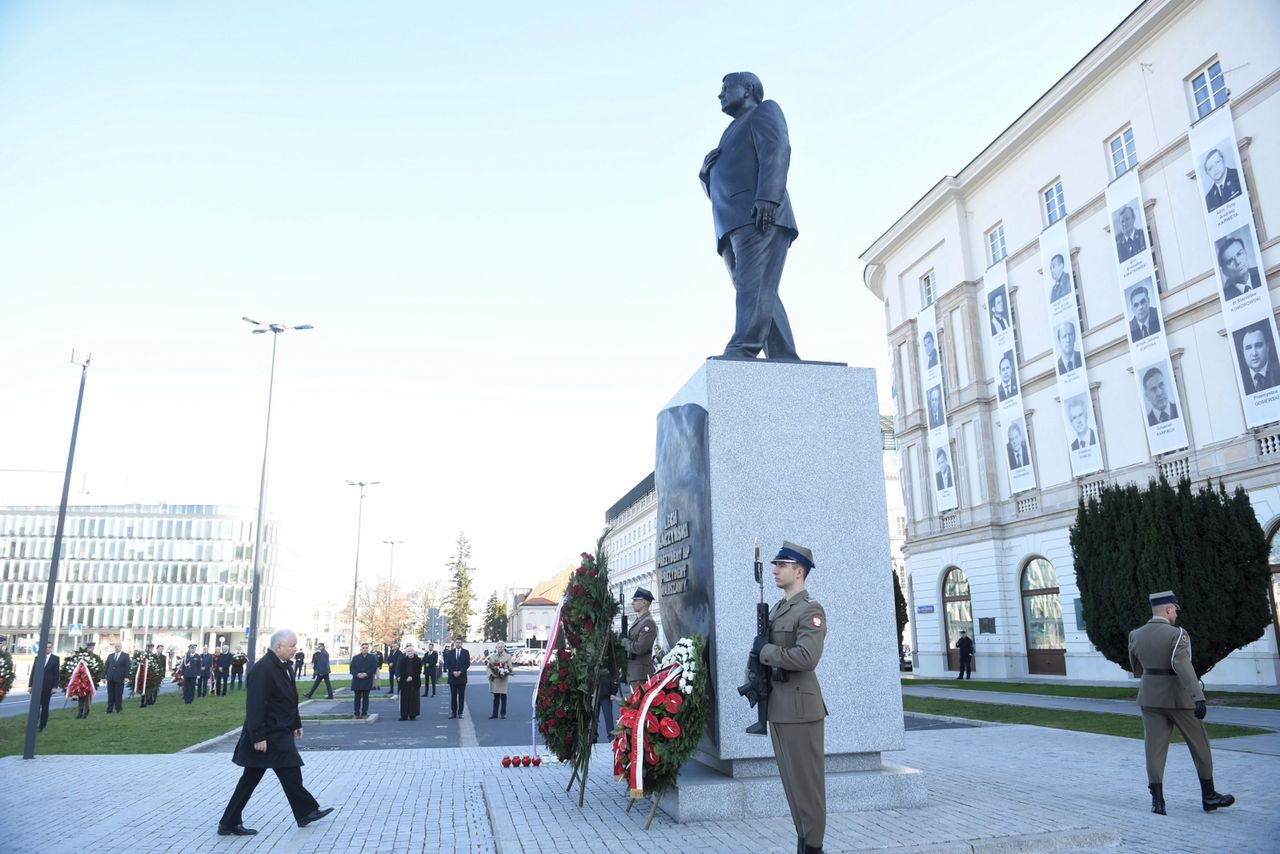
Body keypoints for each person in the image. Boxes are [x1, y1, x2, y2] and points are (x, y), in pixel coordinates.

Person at [699, 71, 800, 360]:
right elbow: (723, 187)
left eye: (726, 88)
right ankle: (784, 356)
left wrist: (768, 197)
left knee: (752, 287)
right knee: (757, 289)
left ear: (747, 90)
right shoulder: (730, 132)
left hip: (759, 216)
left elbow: (777, 150)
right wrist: (706, 175)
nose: (720, 94)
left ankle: (742, 347)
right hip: (731, 224)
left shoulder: (765, 111)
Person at [217, 628, 332, 836]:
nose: (295, 650)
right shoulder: (264, 668)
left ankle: (229, 821)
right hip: (267, 735)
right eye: (292, 646)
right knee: (280, 771)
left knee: (262, 776)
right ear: (278, 647)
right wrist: (258, 736)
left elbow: (289, 699)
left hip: (280, 731)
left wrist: (296, 723)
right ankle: (306, 811)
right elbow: (255, 705)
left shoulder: (283, 665)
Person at [1129, 591, 1234, 816]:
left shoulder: (1135, 635)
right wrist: (1199, 697)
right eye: (1175, 609)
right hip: (1179, 699)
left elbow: (1136, 668)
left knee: (1154, 749)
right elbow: (1183, 666)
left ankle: (1158, 802)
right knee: (1200, 746)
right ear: (1168, 609)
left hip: (1149, 697)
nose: (1176, 613)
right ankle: (1209, 796)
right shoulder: (1177, 634)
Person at [752, 541, 826, 854]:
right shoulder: (781, 608)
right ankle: (803, 843)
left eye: (781, 565)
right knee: (792, 788)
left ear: (799, 572)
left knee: (807, 789)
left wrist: (765, 651)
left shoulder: (811, 610)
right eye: (775, 565)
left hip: (801, 711)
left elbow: (806, 657)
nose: (774, 570)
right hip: (780, 709)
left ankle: (814, 847)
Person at [620, 588, 657, 690]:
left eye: (636, 600)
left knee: (638, 705)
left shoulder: (648, 623)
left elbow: (640, 648)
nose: (632, 603)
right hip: (634, 673)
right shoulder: (640, 621)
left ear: (644, 602)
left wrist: (623, 641)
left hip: (641, 674)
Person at [1237, 324, 1280, 392]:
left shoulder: (1278, 372)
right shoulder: (1239, 380)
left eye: (1258, 346)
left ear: (1267, 347)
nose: (1254, 353)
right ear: (1243, 352)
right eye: (1248, 348)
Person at [28, 641, 59, 732]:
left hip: (48, 687)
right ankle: (33, 725)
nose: (47, 649)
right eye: (46, 647)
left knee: (45, 707)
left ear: (51, 648)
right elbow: (33, 672)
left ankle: (42, 726)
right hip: (37, 687)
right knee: (35, 707)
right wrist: (30, 685)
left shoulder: (55, 659)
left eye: (49, 647)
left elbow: (56, 674)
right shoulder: (38, 658)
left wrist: (54, 687)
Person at [1202, 148, 1242, 213]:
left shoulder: (1238, 175)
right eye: (1210, 168)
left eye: (1217, 162)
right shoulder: (1208, 198)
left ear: (1223, 160)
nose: (1215, 169)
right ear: (1208, 174)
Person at [444, 639, 471, 719]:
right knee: (453, 696)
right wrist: (453, 672)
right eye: (457, 642)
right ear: (455, 643)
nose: (458, 644)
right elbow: (447, 664)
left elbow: (467, 664)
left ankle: (460, 712)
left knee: (461, 696)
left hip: (462, 677)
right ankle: (453, 712)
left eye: (460, 642)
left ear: (461, 643)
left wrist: (460, 672)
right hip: (452, 677)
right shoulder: (450, 652)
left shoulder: (465, 652)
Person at [349, 642, 377, 719]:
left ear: (368, 649)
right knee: (357, 698)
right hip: (357, 681)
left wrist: (366, 674)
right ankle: (356, 713)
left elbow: (374, 668)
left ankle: (364, 713)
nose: (365, 649)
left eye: (366, 648)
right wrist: (357, 674)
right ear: (361, 649)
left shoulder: (372, 658)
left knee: (365, 698)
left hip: (367, 680)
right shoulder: (355, 658)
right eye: (363, 648)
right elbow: (352, 669)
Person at [487, 641, 512, 719]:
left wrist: (504, 672)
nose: (500, 648)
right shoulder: (492, 656)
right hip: (495, 679)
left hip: (503, 680)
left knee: (503, 697)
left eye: (502, 647)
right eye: (499, 647)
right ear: (496, 648)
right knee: (496, 697)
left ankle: (503, 713)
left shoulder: (508, 656)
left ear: (504, 648)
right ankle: (494, 714)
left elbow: (510, 667)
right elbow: (489, 667)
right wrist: (491, 674)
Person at [397, 643, 422, 721]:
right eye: (408, 651)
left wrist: (412, 677)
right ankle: (404, 715)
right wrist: (406, 678)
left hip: (414, 682)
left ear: (413, 651)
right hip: (405, 682)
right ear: (406, 652)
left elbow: (418, 671)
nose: (410, 653)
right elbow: (401, 670)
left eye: (411, 651)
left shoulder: (418, 660)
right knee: (404, 699)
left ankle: (412, 715)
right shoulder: (403, 660)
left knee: (413, 699)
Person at [594, 665, 617, 744]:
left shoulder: (608, 664)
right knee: (594, 718)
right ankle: (593, 737)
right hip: (596, 694)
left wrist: (613, 692)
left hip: (606, 694)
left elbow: (614, 678)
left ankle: (611, 738)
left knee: (608, 718)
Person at [105, 642, 129, 714]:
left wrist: (126, 677)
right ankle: (109, 710)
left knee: (118, 695)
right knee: (110, 695)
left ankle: (118, 709)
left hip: (119, 678)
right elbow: (106, 666)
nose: (117, 648)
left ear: (121, 647)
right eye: (115, 647)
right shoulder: (110, 656)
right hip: (110, 678)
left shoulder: (125, 656)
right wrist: (104, 676)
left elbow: (127, 667)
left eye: (118, 646)